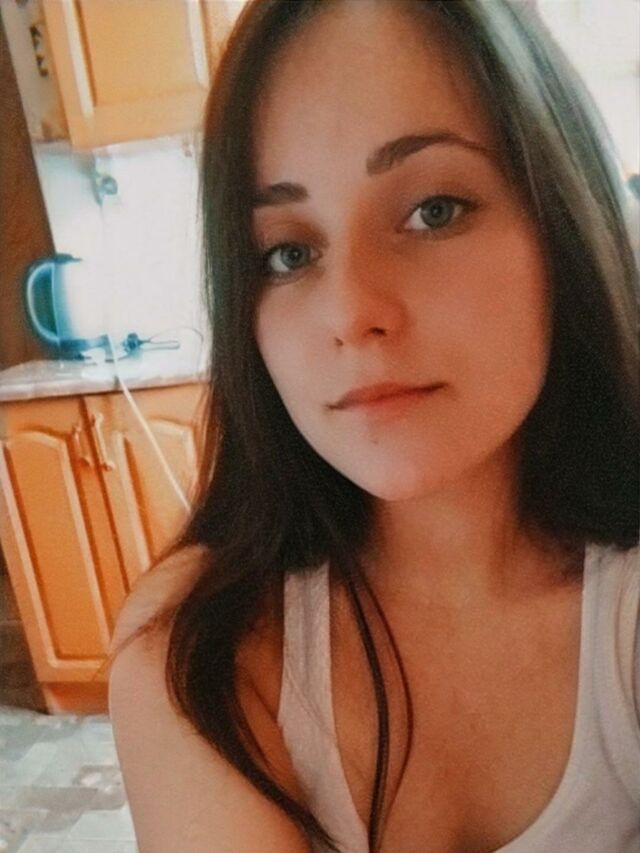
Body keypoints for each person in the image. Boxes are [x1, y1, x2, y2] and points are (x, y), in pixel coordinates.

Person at [107, 1, 640, 851]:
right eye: (289, 253)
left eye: (434, 210)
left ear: (563, 221)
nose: (352, 312)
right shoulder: (201, 649)